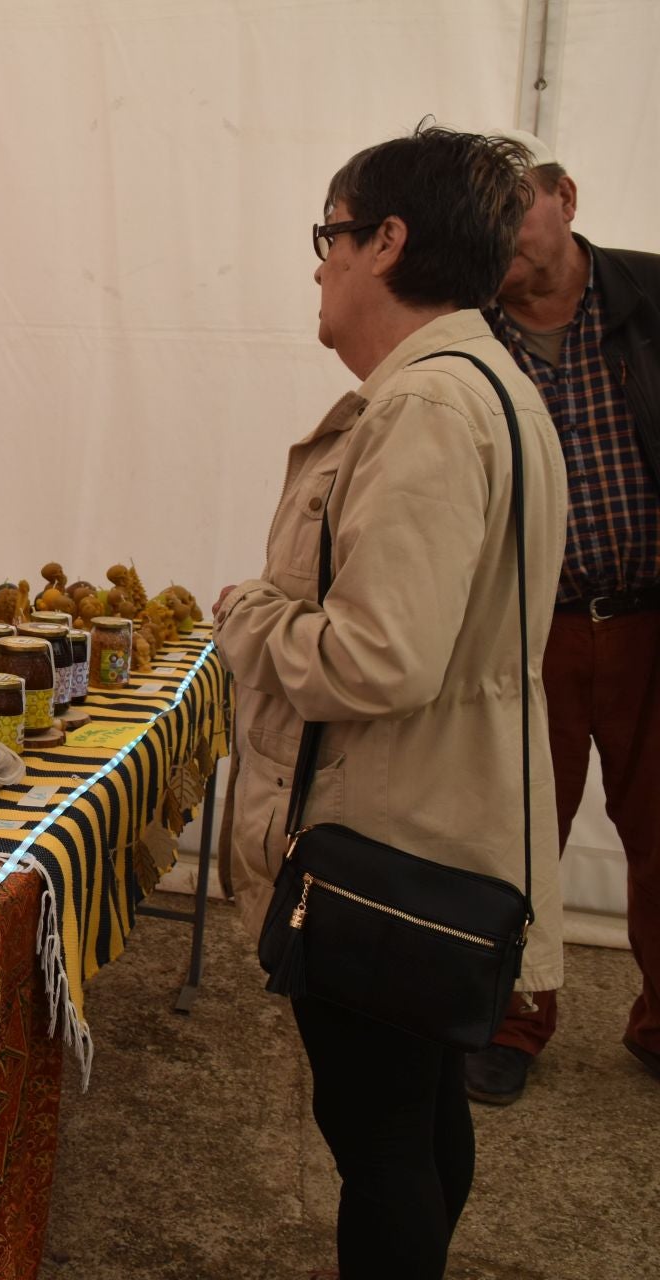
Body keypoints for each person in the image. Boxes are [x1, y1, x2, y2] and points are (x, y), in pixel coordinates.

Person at [214, 125, 567, 1279]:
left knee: (378, 1143)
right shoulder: (492, 385)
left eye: (332, 234)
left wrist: (250, 616)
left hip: (387, 842)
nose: (320, 264)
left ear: (388, 242)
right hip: (446, 827)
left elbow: (379, 656)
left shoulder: (425, 408)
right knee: (415, 1121)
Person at [470, 130, 660, 1103]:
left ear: (567, 197)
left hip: (648, 621)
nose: (505, 234)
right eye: (487, 217)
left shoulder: (650, 296)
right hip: (529, 627)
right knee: (520, 830)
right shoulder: (469, 329)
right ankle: (512, 1018)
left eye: (518, 207)